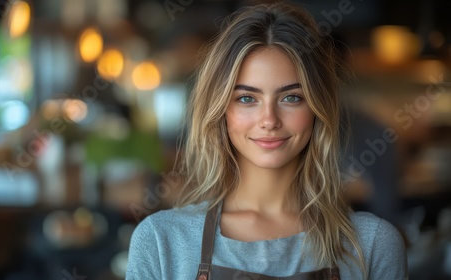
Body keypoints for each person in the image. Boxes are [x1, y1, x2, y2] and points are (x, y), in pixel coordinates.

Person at [126, 2, 407, 279]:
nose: (269, 120)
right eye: (247, 98)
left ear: (317, 109)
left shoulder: (372, 244)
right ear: (220, 110)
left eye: (291, 98)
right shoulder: (160, 241)